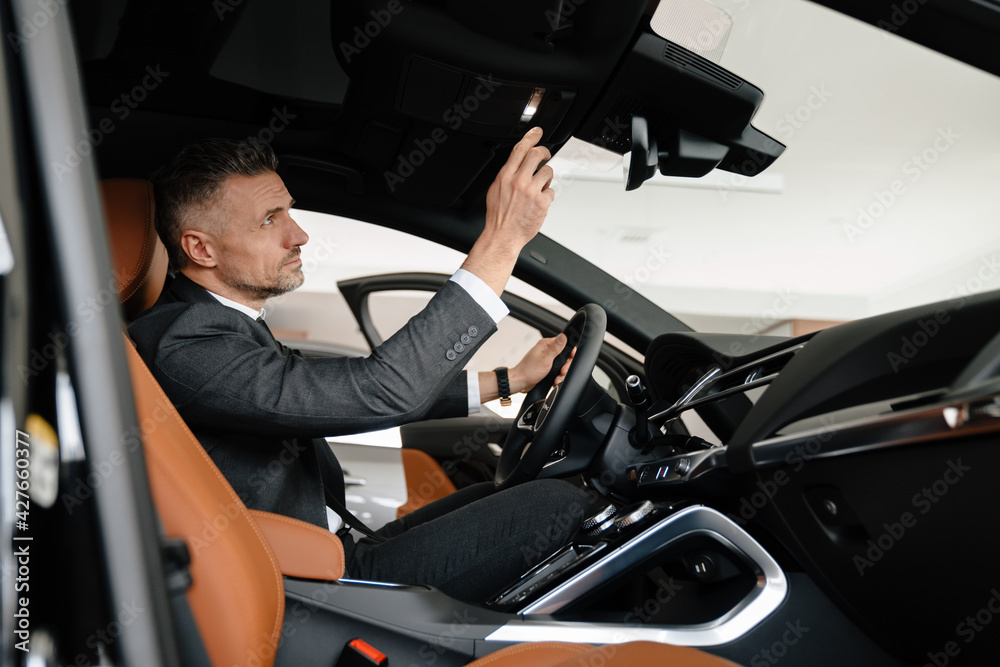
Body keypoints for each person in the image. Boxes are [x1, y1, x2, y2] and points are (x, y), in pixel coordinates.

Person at [129, 128, 595, 603]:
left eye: (288, 211)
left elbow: (342, 388)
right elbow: (380, 389)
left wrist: (511, 380)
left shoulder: (219, 324)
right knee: (558, 503)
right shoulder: (185, 341)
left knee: (503, 493)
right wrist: (502, 241)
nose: (299, 235)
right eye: (270, 220)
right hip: (305, 585)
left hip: (332, 547)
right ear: (201, 249)